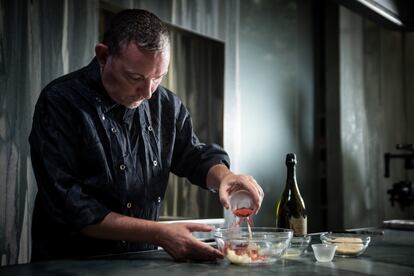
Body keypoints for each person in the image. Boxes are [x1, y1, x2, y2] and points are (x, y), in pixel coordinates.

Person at [29, 9, 263, 262]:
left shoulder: (165, 104)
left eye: (158, 77)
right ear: (104, 56)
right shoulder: (61, 101)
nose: (148, 92)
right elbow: (69, 204)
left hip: (141, 262)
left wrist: (225, 177)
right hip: (69, 264)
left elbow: (192, 155)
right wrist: (159, 234)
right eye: (135, 77)